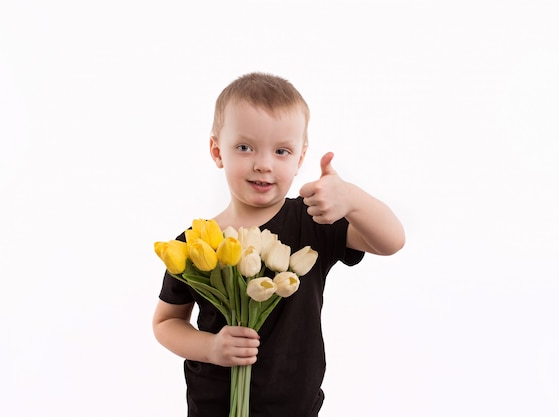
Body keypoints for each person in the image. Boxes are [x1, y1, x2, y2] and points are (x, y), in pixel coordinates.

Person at [153, 72, 405, 417]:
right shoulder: (196, 242)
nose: (263, 164)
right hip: (213, 407)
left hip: (295, 408)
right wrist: (211, 347)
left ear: (300, 159)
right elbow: (166, 322)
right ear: (217, 151)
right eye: (245, 147)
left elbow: (391, 241)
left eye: (281, 151)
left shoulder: (313, 220)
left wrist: (353, 199)